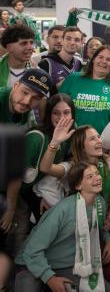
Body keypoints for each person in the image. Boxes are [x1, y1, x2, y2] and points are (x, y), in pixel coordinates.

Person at [14, 162, 110, 292]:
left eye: (97, 173)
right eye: (89, 176)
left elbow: (97, 228)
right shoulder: (63, 210)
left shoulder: (99, 203)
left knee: (101, 289)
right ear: (78, 185)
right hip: (32, 263)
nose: (97, 178)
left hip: (65, 266)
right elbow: (32, 251)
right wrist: (50, 278)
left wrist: (109, 240)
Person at [0, 69, 53, 256]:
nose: (27, 101)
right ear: (15, 85)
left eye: (35, 97)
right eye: (24, 92)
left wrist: (12, 206)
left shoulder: (23, 114)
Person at [40, 124, 110, 231]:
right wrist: (54, 143)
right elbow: (45, 168)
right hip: (76, 225)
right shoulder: (72, 167)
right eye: (92, 139)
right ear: (81, 147)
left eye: (98, 137)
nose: (99, 141)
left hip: (103, 222)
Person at [22, 94, 76, 223]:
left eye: (66, 113)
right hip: (17, 194)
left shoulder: (70, 134)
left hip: (37, 190)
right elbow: (16, 180)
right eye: (55, 113)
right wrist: (37, 199)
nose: (62, 118)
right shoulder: (36, 138)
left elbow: (72, 159)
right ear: (48, 115)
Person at [60, 46, 110, 134]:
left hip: (103, 141)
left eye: (109, 59)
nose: (103, 61)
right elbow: (58, 104)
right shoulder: (73, 78)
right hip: (72, 137)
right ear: (93, 60)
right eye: (100, 57)